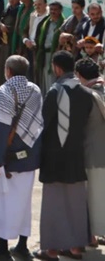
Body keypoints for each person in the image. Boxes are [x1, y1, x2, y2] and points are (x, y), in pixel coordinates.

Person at [0, 55, 43, 261]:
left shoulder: (4, 91)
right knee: (24, 203)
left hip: (8, 158)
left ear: (8, 71)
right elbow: (37, 124)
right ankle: (22, 246)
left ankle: (3, 248)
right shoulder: (35, 90)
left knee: (3, 203)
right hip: (29, 156)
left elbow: (2, 129)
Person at [34, 51, 91, 260]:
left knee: (54, 203)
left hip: (54, 157)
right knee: (76, 203)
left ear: (57, 68)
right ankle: (75, 247)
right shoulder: (86, 93)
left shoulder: (54, 92)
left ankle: (52, 249)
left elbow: (43, 124)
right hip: (77, 155)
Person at [76, 58, 105, 244]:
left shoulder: (87, 95)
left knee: (91, 197)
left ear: (79, 76)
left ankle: (92, 236)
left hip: (92, 153)